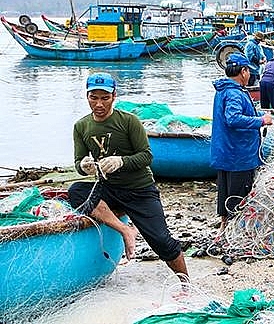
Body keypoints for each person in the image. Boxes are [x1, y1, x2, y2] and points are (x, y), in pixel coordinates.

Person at [68, 73, 188, 280]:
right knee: (76, 191)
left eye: (104, 98)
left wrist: (121, 161)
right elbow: (79, 162)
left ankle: (185, 282)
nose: (99, 104)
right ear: (87, 97)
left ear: (114, 96)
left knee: (161, 240)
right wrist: (84, 166)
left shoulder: (128, 121)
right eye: (93, 97)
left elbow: (146, 156)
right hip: (109, 188)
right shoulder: (81, 126)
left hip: (139, 188)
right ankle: (125, 229)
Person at [210, 53, 273, 231]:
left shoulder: (224, 90)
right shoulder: (234, 93)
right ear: (243, 71)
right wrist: (261, 121)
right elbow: (233, 118)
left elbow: (236, 116)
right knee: (238, 196)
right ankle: (235, 231)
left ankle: (224, 227)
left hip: (225, 153)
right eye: (248, 72)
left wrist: (260, 115)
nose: (250, 76)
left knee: (225, 193)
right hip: (239, 155)